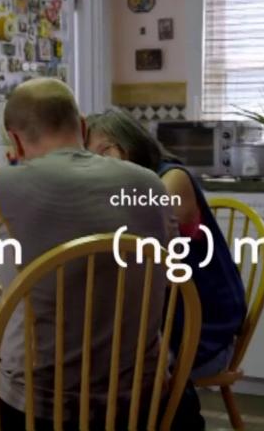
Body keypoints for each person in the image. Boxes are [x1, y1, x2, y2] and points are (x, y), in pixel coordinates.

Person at [0, 78, 204, 430]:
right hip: (143, 404)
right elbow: (170, 274)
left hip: (39, 409)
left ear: (14, 140)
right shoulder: (149, 184)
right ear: (82, 127)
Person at [85, 109, 246, 379]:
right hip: (164, 322)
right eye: (89, 157)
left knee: (105, 365)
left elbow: (138, 225)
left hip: (201, 331)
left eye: (106, 151)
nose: (99, 164)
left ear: (131, 142)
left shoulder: (173, 178)